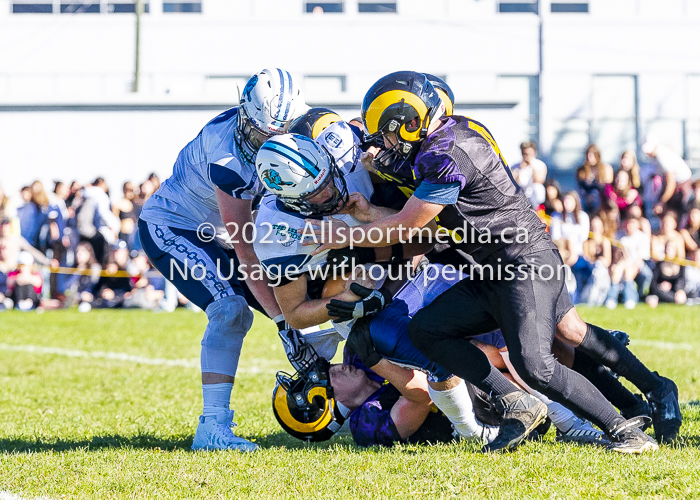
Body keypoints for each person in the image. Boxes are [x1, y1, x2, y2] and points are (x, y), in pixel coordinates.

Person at [308, 71, 680, 452]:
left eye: (386, 133)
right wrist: (371, 207)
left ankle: (624, 430)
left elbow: (412, 223)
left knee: (537, 363)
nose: (383, 143)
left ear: (408, 124)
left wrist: (345, 232)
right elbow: (425, 204)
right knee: (433, 330)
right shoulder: (454, 134)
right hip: (497, 266)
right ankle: (537, 399)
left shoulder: (443, 154)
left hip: (521, 263)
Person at [254, 129, 610, 447]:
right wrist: (347, 302)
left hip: (420, 268)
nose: (333, 191)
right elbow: (295, 314)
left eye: (330, 178)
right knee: (454, 354)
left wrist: (374, 206)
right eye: (318, 194)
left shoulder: (347, 153)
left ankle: (604, 390)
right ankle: (534, 422)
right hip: (371, 309)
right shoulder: (279, 233)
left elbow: (422, 229)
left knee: (524, 333)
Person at [138, 69, 307, 452]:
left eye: (278, 135)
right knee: (231, 310)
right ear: (245, 116)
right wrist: (284, 322)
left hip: (219, 235)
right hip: (175, 227)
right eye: (263, 133)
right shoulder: (228, 155)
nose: (269, 143)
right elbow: (246, 249)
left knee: (309, 294)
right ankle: (212, 427)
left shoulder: (300, 126)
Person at [605, 217, 650, 310]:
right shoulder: (620, 236)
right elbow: (617, 255)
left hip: (637, 264)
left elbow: (641, 258)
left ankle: (628, 298)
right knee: (617, 270)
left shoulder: (643, 237)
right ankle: (613, 299)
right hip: (622, 262)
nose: (630, 226)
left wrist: (630, 263)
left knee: (628, 271)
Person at [642, 138, 693, 216]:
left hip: (681, 186)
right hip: (675, 186)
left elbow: (670, 182)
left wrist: (662, 202)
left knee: (678, 213)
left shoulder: (663, 157)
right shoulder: (656, 157)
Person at [576, 144, 613, 214]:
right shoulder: (582, 171)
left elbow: (607, 186)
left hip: (600, 199)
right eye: (588, 155)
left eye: (592, 155)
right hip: (585, 199)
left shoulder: (605, 169)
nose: (590, 158)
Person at [510, 141, 547, 209]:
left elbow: (539, 181)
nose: (526, 156)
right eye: (524, 154)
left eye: (528, 154)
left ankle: (538, 208)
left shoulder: (540, 165)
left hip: (534, 196)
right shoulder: (515, 167)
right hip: (521, 194)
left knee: (537, 187)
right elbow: (512, 183)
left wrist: (531, 165)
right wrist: (520, 170)